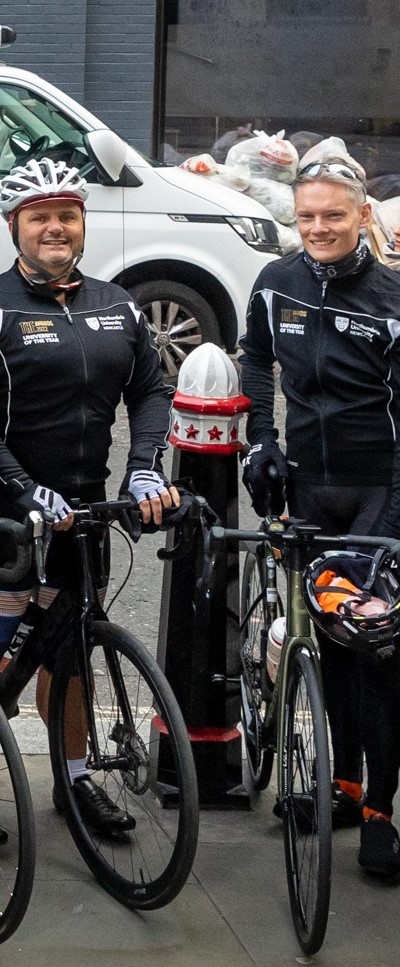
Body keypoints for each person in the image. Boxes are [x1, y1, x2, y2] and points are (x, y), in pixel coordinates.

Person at [0, 158, 178, 838]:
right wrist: (20, 489)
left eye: (67, 215)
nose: (55, 227)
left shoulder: (118, 304)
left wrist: (143, 469)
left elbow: (151, 390)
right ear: (14, 226)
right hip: (5, 518)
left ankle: (74, 782)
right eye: (39, 217)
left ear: (82, 224)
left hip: (83, 513)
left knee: (72, 654)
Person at [239, 158, 400, 878]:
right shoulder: (277, 284)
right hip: (311, 493)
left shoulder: (392, 295)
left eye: (333, 215)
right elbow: (254, 361)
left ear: (361, 215)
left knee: (381, 656)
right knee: (332, 650)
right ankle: (343, 786)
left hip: (380, 494)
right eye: (307, 217)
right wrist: (263, 442)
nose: (319, 229)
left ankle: (380, 814)